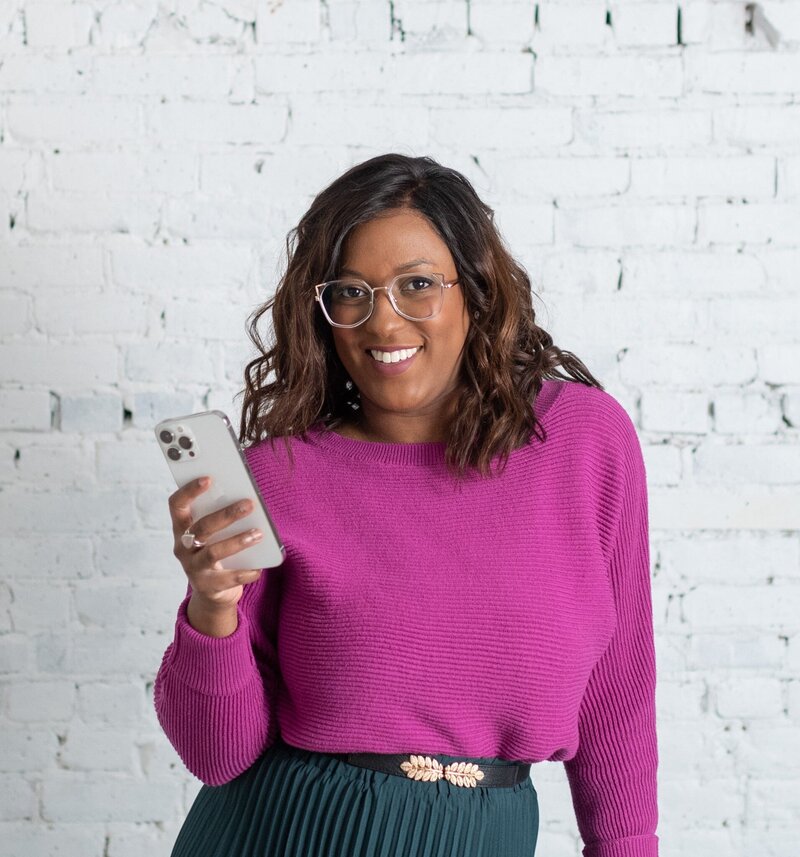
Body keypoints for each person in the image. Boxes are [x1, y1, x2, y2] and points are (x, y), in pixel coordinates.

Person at [153, 153, 660, 857]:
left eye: (417, 285)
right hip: (283, 832)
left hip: (490, 833)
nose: (382, 324)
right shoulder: (280, 478)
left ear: (475, 293)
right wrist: (211, 608)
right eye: (351, 292)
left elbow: (620, 690)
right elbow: (218, 756)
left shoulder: (583, 443)